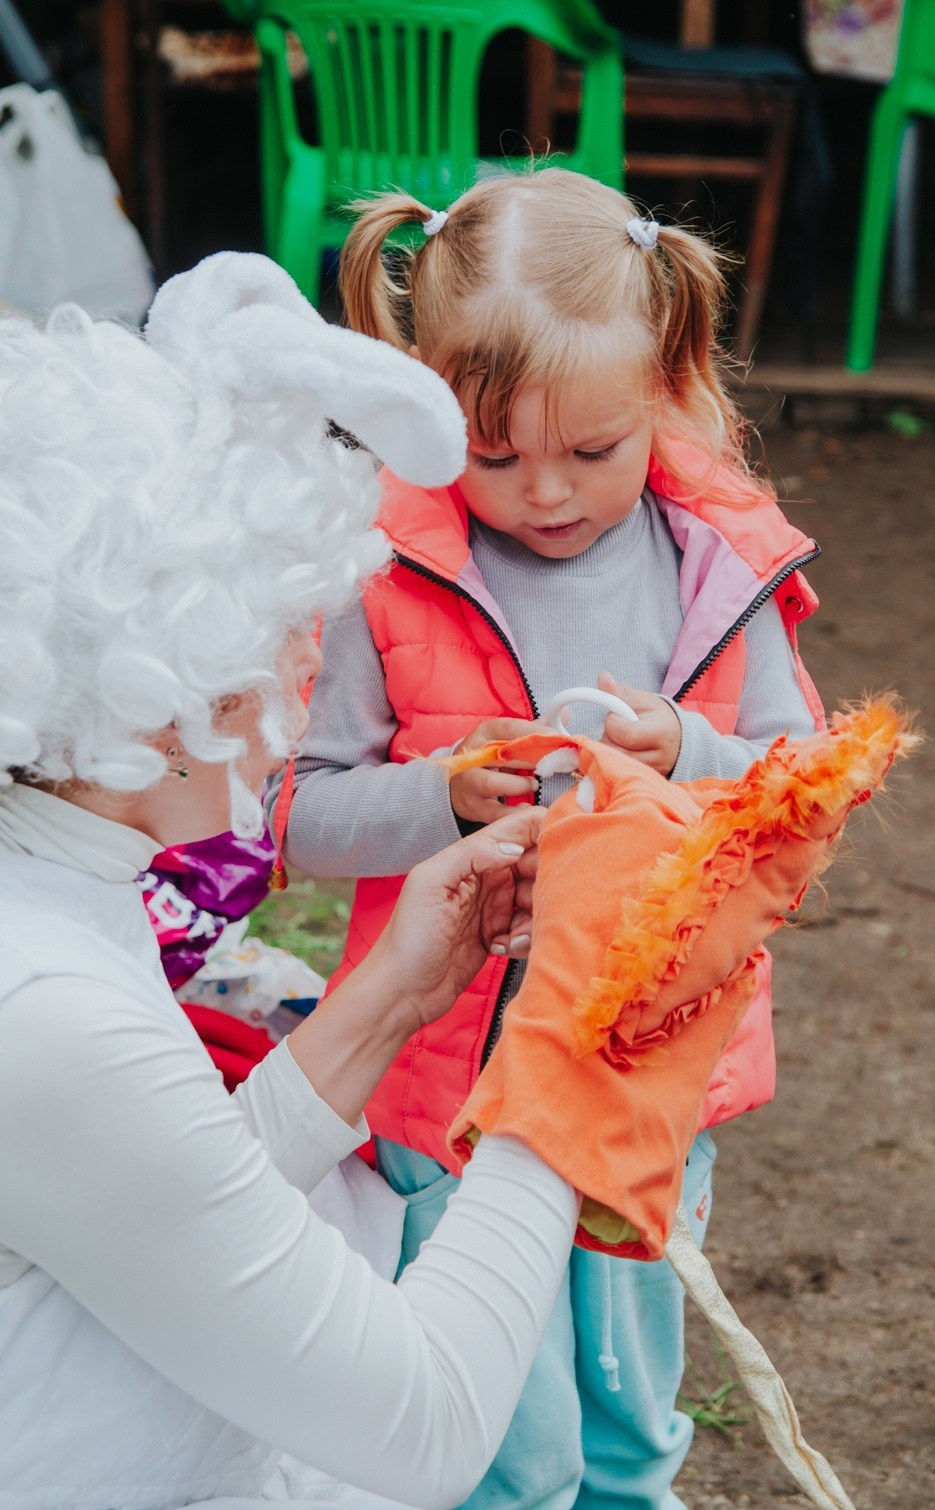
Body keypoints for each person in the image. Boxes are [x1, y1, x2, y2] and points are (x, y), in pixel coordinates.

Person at [273, 166, 826, 1510]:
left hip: (646, 1067)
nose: (544, 491)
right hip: (449, 1085)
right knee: (497, 1433)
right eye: (492, 453)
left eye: (592, 451)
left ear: (664, 385)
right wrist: (443, 793)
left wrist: (687, 750)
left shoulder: (720, 571)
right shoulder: (382, 575)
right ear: (427, 405)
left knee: (630, 1406)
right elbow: (296, 816)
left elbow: (801, 794)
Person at [0, 251, 589, 1510]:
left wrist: (393, 994)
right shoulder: (42, 1010)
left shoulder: (54, 886)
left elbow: (172, 1202)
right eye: (280, 637)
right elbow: (430, 1426)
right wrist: (572, 1048)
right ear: (155, 696)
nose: (309, 678)